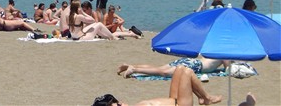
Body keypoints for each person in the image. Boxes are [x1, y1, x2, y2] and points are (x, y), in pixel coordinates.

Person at [93, 66, 224, 106]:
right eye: (117, 105)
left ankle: (203, 98)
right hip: (181, 105)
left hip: (174, 99)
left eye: (117, 101)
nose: (120, 102)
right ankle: (206, 98)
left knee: (180, 69)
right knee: (187, 72)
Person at [117, 56, 230, 78]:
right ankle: (134, 69)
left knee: (160, 68)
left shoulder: (213, 48)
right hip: (196, 66)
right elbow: (228, 69)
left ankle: (130, 66)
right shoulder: (225, 53)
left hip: (190, 60)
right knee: (164, 73)